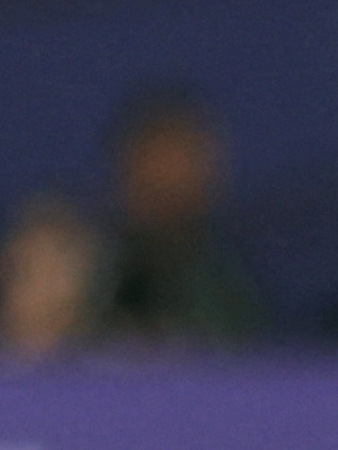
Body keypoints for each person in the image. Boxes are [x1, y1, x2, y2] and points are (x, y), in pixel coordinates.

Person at [93, 88, 261, 346]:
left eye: (182, 162)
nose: (166, 182)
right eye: (154, 162)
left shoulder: (234, 287)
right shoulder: (93, 279)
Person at [0, 192, 100, 361]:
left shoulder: (119, 370)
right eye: (32, 271)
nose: (49, 288)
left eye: (57, 273)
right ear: (3, 276)